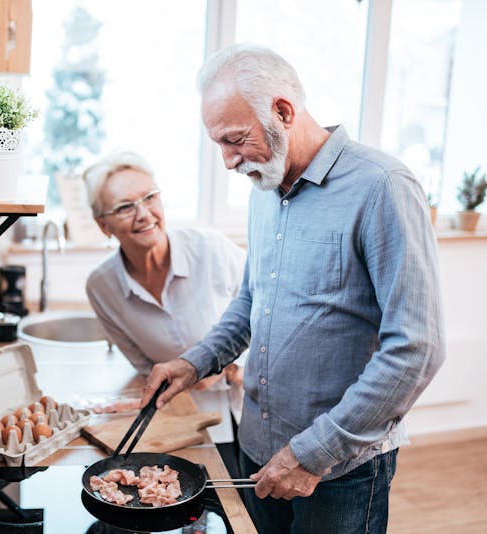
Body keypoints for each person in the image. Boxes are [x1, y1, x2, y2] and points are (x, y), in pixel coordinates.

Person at [140, 44, 445, 533]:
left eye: (234, 140)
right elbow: (249, 303)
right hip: (258, 448)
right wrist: (194, 362)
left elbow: (417, 348)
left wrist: (311, 454)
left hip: (339, 470)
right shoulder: (264, 189)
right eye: (218, 144)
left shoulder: (382, 186)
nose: (227, 161)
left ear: (283, 112)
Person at [83, 150, 247, 478]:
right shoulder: (102, 288)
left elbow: (269, 311)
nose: (143, 214)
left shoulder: (210, 249)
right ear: (104, 226)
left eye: (150, 197)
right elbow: (145, 366)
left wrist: (233, 365)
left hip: (248, 410)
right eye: (125, 207)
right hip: (180, 425)